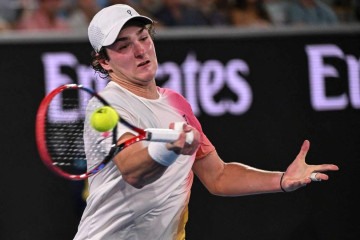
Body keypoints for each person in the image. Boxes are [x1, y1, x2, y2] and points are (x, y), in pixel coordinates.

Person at [74, 4, 339, 240]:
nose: (140, 50)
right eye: (123, 46)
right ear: (104, 62)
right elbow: (132, 170)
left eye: (143, 38)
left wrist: (282, 179)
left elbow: (218, 176)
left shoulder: (176, 103)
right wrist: (168, 149)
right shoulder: (104, 106)